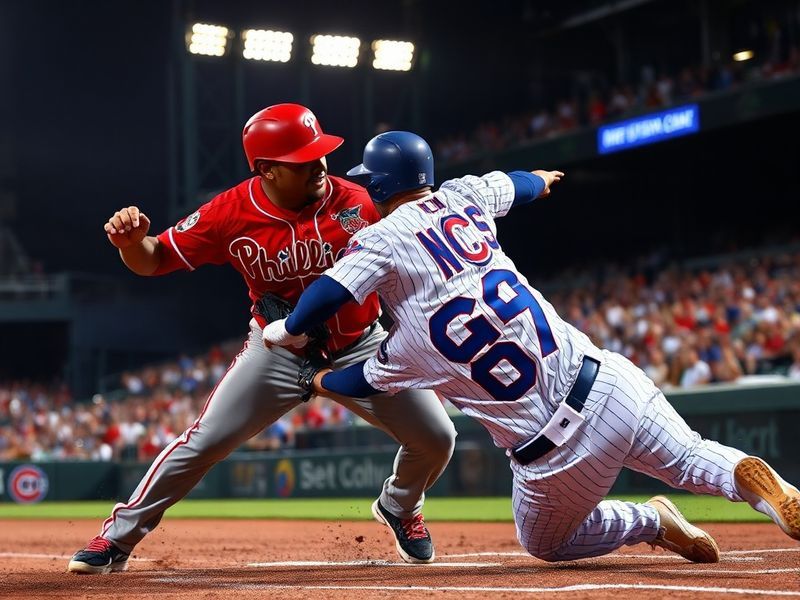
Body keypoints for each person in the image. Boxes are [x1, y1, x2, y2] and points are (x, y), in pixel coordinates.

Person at [264, 130, 800, 563]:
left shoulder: (408, 330)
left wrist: (298, 354)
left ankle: (651, 520)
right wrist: (541, 180)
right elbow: (515, 184)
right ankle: (762, 489)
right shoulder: (462, 196)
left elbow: (338, 319)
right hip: (610, 381)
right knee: (690, 458)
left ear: (378, 187)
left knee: (547, 544)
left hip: (557, 454)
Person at [67, 106, 456, 574]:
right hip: (278, 354)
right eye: (303, 160)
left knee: (437, 437)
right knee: (204, 441)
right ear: (265, 169)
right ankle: (116, 539)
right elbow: (154, 260)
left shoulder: (359, 201)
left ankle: (400, 505)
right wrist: (132, 243)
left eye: (321, 154)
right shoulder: (230, 211)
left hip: (360, 344)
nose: (319, 165)